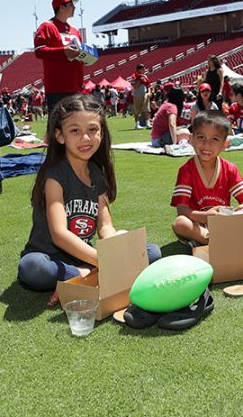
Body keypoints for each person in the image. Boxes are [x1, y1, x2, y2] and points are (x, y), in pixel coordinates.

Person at [17, 95, 161, 294]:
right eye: (75, 131)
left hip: (85, 254)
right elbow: (59, 235)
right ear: (60, 136)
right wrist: (103, 261)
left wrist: (114, 250)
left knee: (152, 251)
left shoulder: (96, 174)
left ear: (101, 133)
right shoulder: (54, 176)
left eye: (93, 130)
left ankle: (89, 276)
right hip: (51, 258)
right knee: (32, 268)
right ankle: (85, 274)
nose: (85, 138)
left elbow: (105, 225)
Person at [169, 109, 243, 248]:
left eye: (214, 139)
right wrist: (207, 216)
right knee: (180, 223)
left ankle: (220, 242)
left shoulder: (230, 169)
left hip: (226, 223)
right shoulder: (186, 170)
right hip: (201, 226)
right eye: (201, 137)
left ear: (225, 145)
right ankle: (229, 242)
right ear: (191, 139)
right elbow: (182, 211)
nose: (207, 145)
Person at [33, 0, 86, 113]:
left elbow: (79, 52)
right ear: (61, 7)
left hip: (76, 86)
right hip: (58, 87)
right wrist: (64, 52)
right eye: (71, 5)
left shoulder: (75, 30)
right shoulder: (47, 26)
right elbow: (39, 51)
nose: (74, 8)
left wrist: (85, 57)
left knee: (75, 125)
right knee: (57, 126)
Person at [130, 64, 151, 128]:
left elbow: (148, 85)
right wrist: (139, 79)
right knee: (137, 110)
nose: (144, 70)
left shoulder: (145, 76)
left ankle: (147, 123)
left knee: (146, 109)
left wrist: (149, 92)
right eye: (143, 69)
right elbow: (135, 87)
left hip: (144, 94)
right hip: (137, 95)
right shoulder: (134, 76)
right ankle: (137, 124)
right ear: (139, 69)